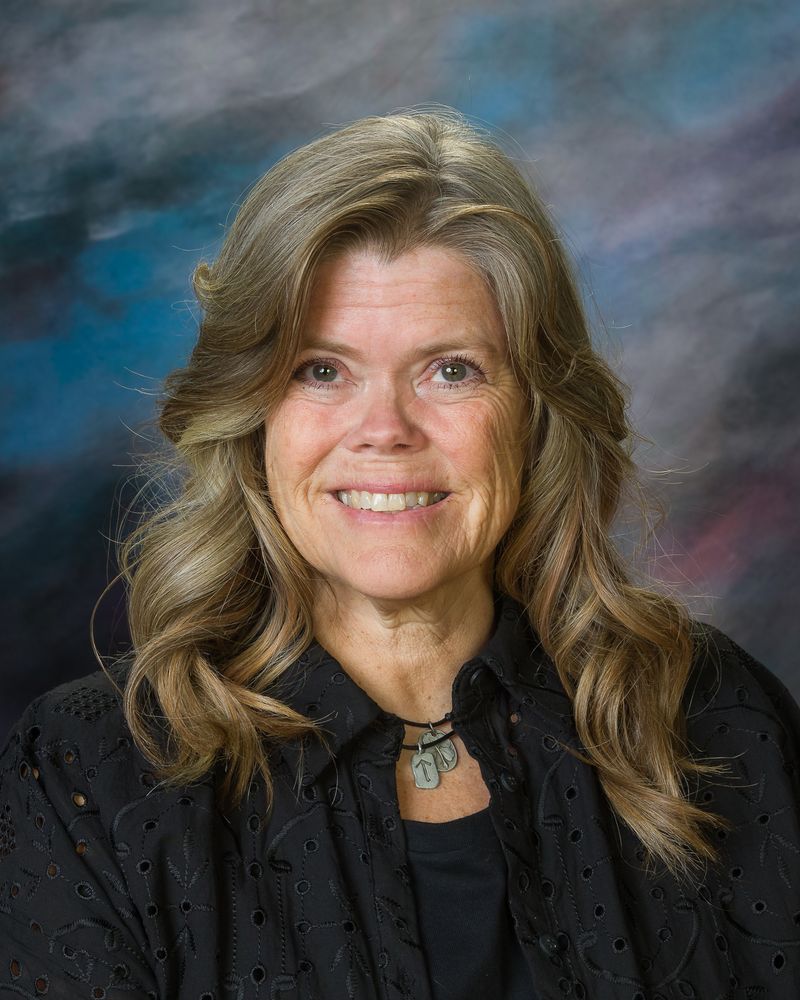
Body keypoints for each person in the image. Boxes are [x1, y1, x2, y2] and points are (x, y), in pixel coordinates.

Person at [2, 108, 798, 1000]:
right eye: (321, 370)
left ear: (535, 413)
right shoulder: (84, 780)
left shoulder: (718, 723)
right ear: (252, 412)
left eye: (450, 370)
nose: (384, 432)